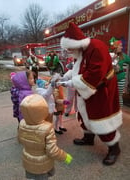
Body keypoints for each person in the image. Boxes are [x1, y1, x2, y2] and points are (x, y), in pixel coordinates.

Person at [57, 22, 122, 165]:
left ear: (76, 43)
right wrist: (65, 76)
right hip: (89, 89)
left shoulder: (96, 48)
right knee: (84, 114)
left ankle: (114, 148)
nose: (68, 50)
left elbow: (94, 74)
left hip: (101, 90)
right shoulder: (81, 49)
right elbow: (78, 68)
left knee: (101, 119)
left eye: (69, 47)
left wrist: (71, 83)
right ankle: (88, 138)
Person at [18, 94, 73, 180]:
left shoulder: (22, 124)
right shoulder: (47, 128)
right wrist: (64, 156)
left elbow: (20, 140)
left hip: (28, 160)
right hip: (42, 163)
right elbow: (52, 151)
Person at [109, 37, 130, 107]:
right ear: (115, 47)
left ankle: (119, 111)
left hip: (120, 79)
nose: (122, 47)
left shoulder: (123, 56)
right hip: (111, 79)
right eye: (120, 46)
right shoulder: (109, 55)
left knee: (119, 96)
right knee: (111, 95)